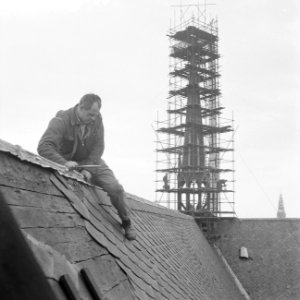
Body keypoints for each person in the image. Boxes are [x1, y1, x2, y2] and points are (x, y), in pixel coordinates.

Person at [38, 93, 136, 240]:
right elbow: (44, 146)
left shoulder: (97, 118)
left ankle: (127, 222)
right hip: (69, 164)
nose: (94, 118)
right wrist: (64, 163)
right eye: (91, 114)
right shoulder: (61, 120)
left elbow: (99, 147)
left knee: (115, 188)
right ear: (81, 107)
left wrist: (88, 169)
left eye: (96, 115)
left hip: (93, 162)